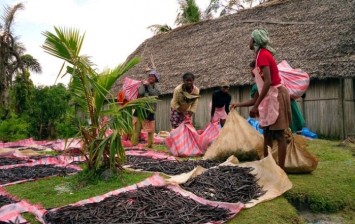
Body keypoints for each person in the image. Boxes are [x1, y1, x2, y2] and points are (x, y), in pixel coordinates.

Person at [232, 29, 291, 169]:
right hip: (270, 96)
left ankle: (280, 170)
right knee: (267, 133)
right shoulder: (259, 56)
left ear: (255, 41)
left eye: (250, 39)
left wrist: (256, 106)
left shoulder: (263, 55)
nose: (249, 41)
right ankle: (267, 164)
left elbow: (269, 81)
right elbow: (261, 89)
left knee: (280, 134)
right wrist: (242, 105)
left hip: (276, 95)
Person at [131, 69, 160, 148]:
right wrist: (143, 85)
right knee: (137, 128)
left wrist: (149, 86)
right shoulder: (143, 85)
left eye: (153, 76)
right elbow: (140, 93)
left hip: (150, 110)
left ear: (156, 79)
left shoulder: (157, 87)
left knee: (150, 129)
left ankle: (150, 144)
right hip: (140, 110)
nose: (150, 78)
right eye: (150, 76)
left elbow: (155, 94)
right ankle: (134, 144)